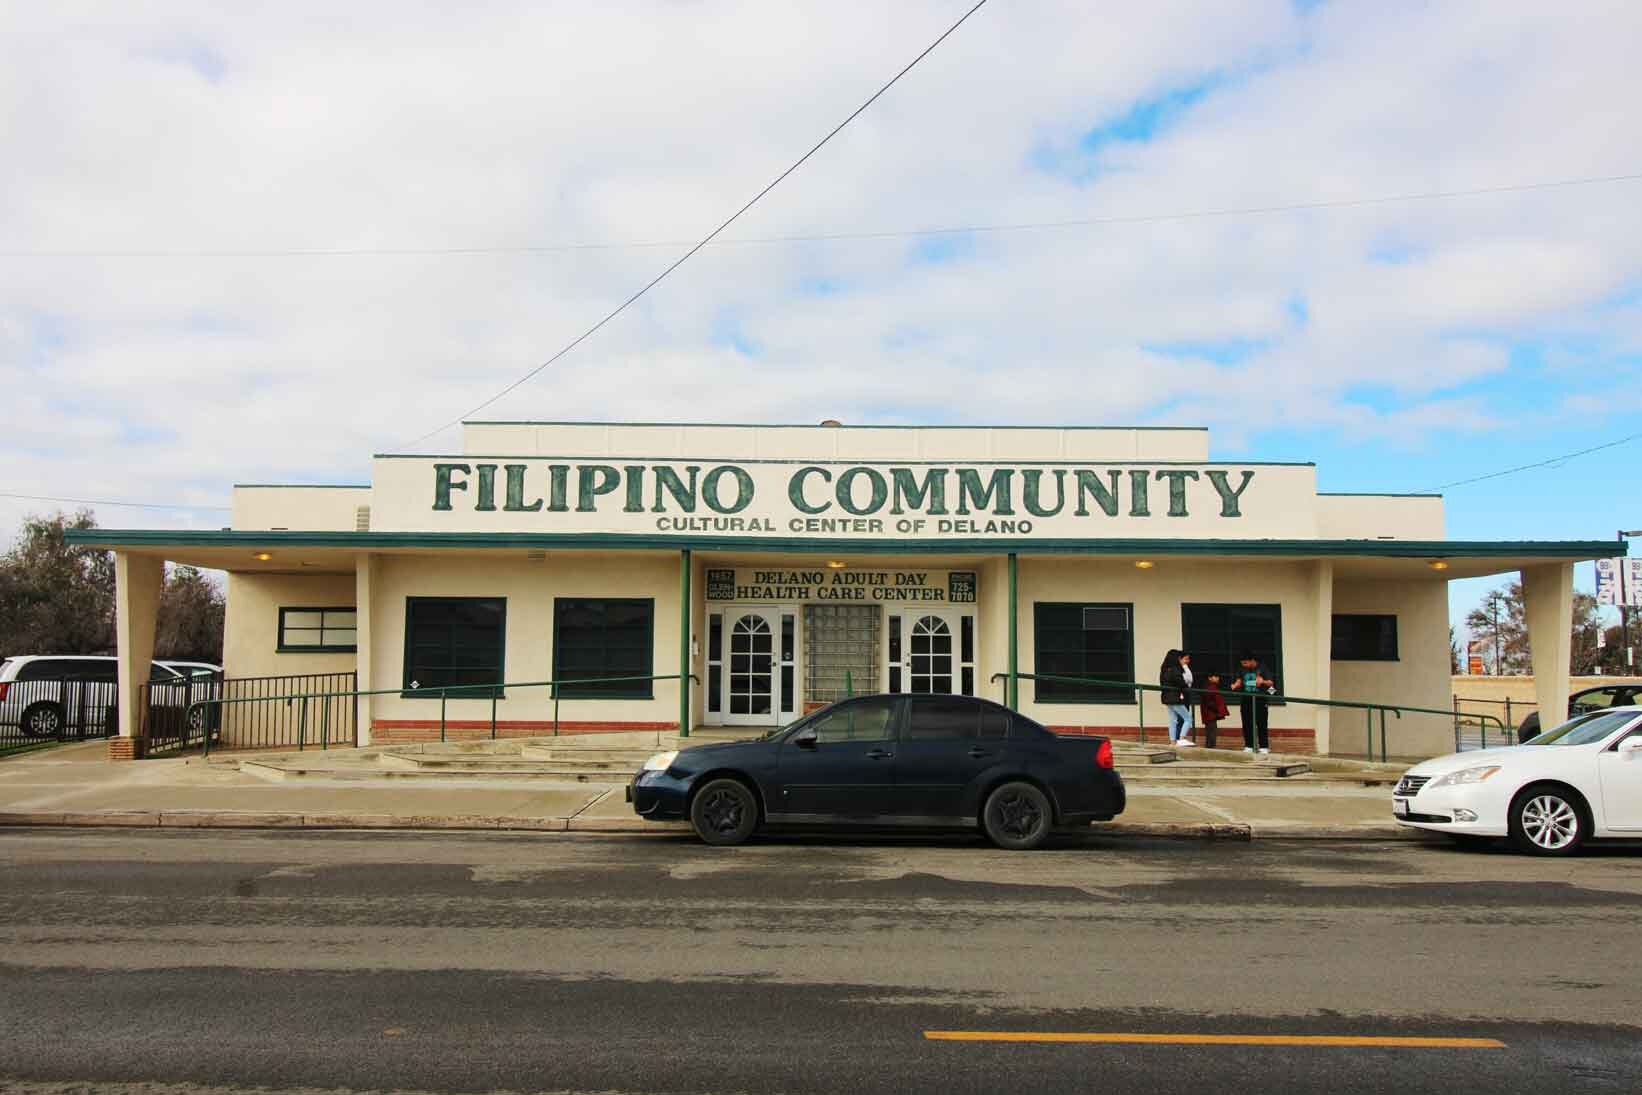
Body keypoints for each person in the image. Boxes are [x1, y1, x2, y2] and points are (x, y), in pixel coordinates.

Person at [1228, 650, 1276, 755]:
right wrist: (1235, 685)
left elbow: (1271, 682)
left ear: (1252, 661)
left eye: (1245, 663)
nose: (1244, 665)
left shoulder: (1262, 668)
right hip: (1246, 699)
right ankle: (1249, 745)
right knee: (1247, 723)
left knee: (1261, 723)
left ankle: (1263, 746)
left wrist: (1262, 681)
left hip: (1260, 699)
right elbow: (1239, 680)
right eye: (1242, 664)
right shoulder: (1242, 669)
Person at [1159, 649, 1195, 747]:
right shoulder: (1175, 669)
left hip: (1166, 697)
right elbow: (1182, 683)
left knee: (1173, 720)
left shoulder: (1164, 669)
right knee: (1188, 718)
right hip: (1175, 697)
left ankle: (1173, 742)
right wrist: (1186, 686)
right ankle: (1182, 739)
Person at [1198, 671, 1229, 749]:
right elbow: (1209, 701)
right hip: (1210, 712)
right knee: (1211, 730)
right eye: (1216, 677)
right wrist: (1216, 709)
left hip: (1210, 712)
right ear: (1210, 678)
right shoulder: (1209, 687)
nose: (1218, 678)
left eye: (1218, 677)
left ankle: (1210, 745)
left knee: (1210, 729)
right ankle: (1210, 746)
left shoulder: (1211, 686)